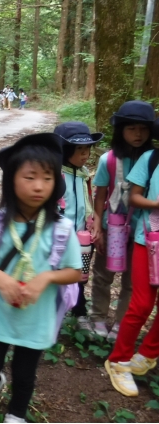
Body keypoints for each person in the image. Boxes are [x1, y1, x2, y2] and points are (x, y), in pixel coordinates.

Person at [0, 133, 82, 424]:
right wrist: (0, 278)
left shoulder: (62, 229)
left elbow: (75, 271)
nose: (39, 186)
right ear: (11, 180)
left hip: (37, 318)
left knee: (26, 371)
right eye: (30, 177)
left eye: (47, 177)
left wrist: (44, 279)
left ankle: (16, 413)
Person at [91, 101, 155, 340]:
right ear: (120, 130)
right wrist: (98, 226)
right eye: (131, 128)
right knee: (103, 275)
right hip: (112, 227)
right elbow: (100, 196)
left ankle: (120, 323)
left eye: (143, 129)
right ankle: (98, 316)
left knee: (132, 280)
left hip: (142, 232)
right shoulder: (108, 160)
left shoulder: (153, 161)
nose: (137, 134)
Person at [104, 120, 159, 397]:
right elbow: (134, 197)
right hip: (149, 240)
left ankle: (148, 353)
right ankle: (118, 361)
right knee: (141, 304)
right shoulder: (152, 158)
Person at [54, 122, 104, 332]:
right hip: (59, 237)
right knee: (56, 273)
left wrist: (93, 223)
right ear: (64, 150)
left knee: (80, 274)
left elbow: (88, 202)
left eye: (87, 150)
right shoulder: (56, 174)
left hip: (82, 237)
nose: (85, 155)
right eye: (79, 150)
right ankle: (53, 313)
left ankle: (79, 310)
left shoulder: (84, 174)